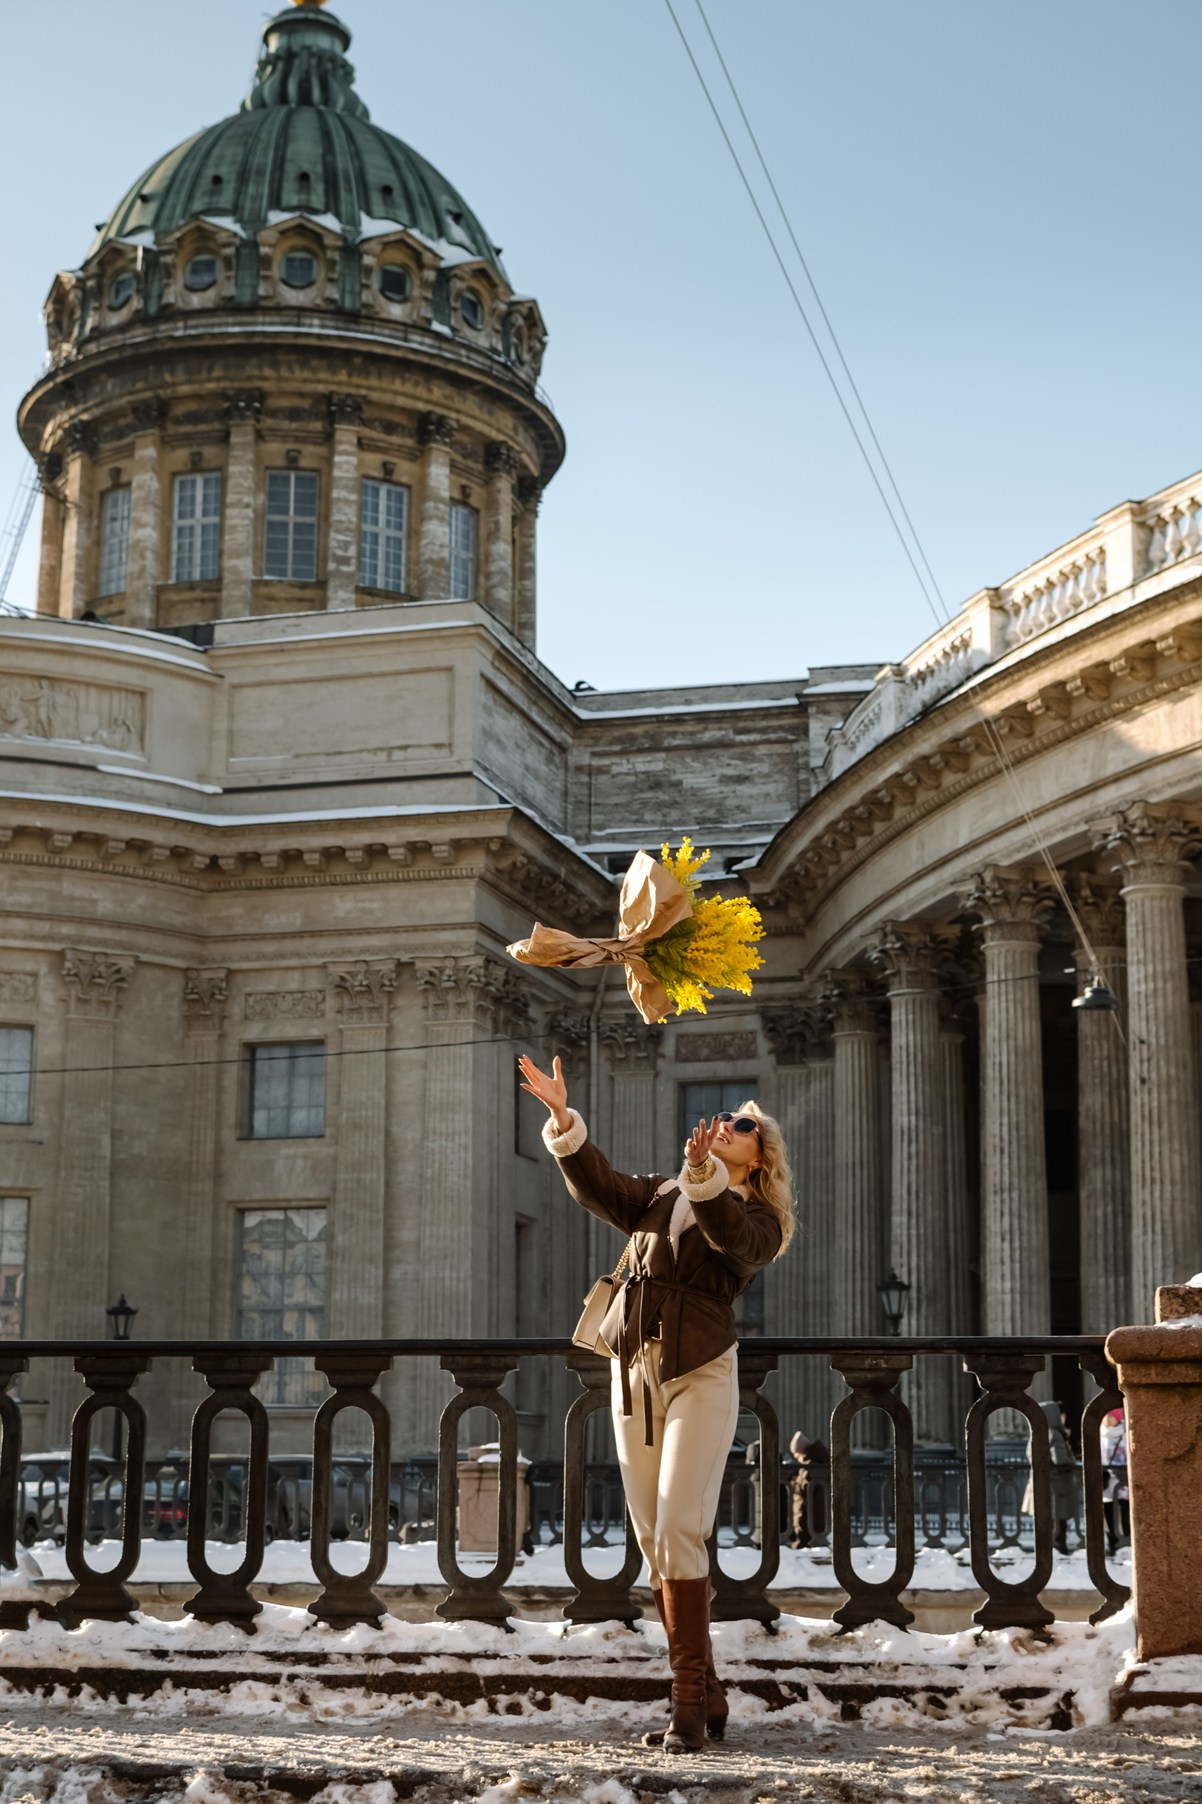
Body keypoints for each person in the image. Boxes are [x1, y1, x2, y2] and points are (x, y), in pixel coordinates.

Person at [518, 1053, 796, 1755]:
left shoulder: (762, 1219)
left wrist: (704, 1176)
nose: (726, 1125)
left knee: (678, 1526)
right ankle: (706, 1689)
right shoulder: (661, 1192)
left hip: (701, 1371)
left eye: (742, 1125)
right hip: (633, 1372)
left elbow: (730, 1236)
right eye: (723, 1119)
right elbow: (600, 1188)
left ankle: (684, 1704)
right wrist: (563, 1121)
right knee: (652, 1538)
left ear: (760, 1156)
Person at [1100, 1406, 1129, 1555]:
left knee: (1125, 1509)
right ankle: (1112, 1542)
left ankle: (1127, 1540)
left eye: (1109, 1416)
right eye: (1105, 1416)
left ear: (1117, 1418)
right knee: (1108, 1511)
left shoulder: (1124, 1433)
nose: (1106, 1419)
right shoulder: (1101, 1433)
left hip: (1122, 1478)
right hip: (1106, 1478)